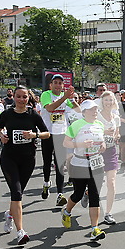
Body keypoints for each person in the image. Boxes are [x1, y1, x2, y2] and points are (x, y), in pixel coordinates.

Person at [0, 86, 50, 245]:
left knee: (18, 193)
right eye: (18, 96)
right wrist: (1, 135)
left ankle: (9, 214)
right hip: (9, 157)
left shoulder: (33, 115)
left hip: (28, 159)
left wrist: (35, 135)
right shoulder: (7, 114)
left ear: (28, 98)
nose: (21, 99)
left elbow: (47, 133)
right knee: (17, 192)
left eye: (24, 97)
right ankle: (21, 232)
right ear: (13, 97)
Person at [60, 100, 107, 241]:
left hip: (97, 163)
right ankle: (67, 212)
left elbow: (102, 139)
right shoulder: (76, 125)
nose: (95, 112)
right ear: (84, 112)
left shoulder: (99, 124)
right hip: (79, 163)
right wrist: (81, 144)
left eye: (96, 110)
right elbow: (66, 142)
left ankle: (95, 228)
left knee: (95, 196)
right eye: (92, 110)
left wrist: (103, 145)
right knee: (78, 194)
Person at [40, 74, 78, 206]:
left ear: (63, 86)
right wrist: (65, 97)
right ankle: (46, 183)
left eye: (60, 83)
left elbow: (77, 110)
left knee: (60, 165)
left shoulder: (65, 97)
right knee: (46, 162)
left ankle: (59, 194)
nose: (58, 85)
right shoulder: (46, 94)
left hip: (61, 134)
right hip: (48, 134)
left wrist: (73, 99)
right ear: (51, 85)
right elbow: (50, 108)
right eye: (55, 82)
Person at [95, 91, 121, 225]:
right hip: (97, 151)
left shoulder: (116, 117)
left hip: (111, 151)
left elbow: (117, 134)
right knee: (97, 183)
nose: (108, 103)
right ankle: (88, 193)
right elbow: (91, 130)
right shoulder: (97, 116)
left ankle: (108, 213)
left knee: (111, 182)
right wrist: (104, 132)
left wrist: (116, 137)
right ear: (102, 101)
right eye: (106, 100)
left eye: (111, 100)